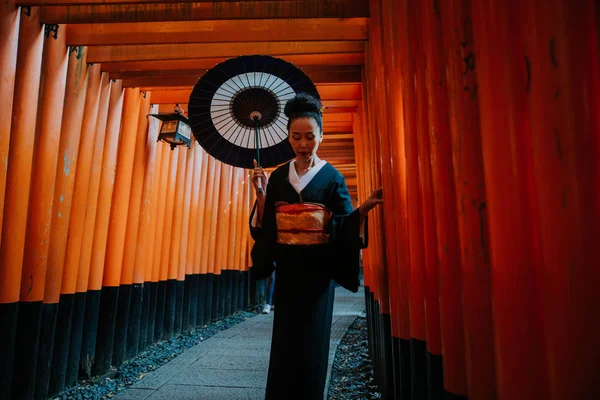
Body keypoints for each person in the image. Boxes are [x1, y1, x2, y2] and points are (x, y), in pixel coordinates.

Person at [249, 92, 383, 399]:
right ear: (288, 137)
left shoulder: (333, 177)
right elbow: (267, 228)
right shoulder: (280, 176)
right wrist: (261, 195)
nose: (303, 144)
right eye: (296, 137)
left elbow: (344, 222)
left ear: (321, 136)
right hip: (288, 272)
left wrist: (362, 210)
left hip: (318, 274)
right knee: (285, 342)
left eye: (310, 137)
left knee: (312, 342)